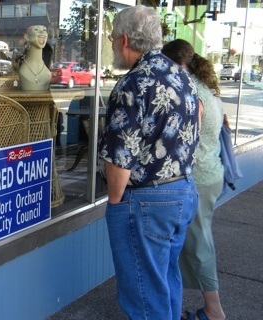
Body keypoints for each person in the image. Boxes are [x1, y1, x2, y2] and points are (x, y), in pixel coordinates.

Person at [98, 6, 200, 320]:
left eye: (113, 38)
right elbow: (199, 118)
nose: (113, 44)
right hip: (182, 191)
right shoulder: (179, 73)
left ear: (125, 40)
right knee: (166, 281)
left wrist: (115, 205)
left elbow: (119, 159)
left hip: (146, 201)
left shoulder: (132, 85)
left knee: (144, 296)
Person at [162, 39, 226, 320]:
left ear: (179, 65)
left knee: (199, 245)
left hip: (198, 178)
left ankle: (214, 311)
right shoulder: (208, 91)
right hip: (212, 175)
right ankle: (178, 308)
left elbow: (183, 140)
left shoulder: (191, 93)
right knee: (194, 243)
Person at [19, 25, 51, 91]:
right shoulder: (23, 70)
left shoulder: (46, 71)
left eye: (44, 30)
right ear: (27, 37)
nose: (42, 32)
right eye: (36, 30)